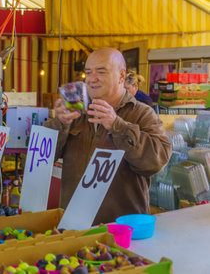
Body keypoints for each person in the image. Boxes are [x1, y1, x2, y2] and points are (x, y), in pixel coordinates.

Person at [44, 48, 171, 225]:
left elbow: (157, 161)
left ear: (121, 76)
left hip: (122, 230)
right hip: (74, 226)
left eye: (101, 72)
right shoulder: (75, 112)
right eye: (88, 72)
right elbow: (41, 159)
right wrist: (60, 124)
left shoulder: (142, 114)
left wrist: (117, 125)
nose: (91, 78)